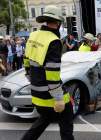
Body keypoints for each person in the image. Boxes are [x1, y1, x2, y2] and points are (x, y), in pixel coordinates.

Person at [22, 5, 74, 140]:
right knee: (66, 122)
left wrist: (33, 80)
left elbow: (26, 62)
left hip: (36, 93)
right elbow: (52, 74)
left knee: (43, 120)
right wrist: (58, 99)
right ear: (58, 23)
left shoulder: (33, 36)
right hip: (49, 96)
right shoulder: (53, 41)